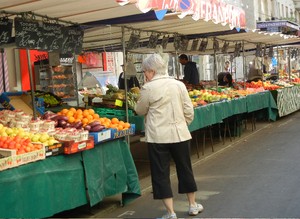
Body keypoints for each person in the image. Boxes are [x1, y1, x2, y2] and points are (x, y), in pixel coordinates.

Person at [135, 54, 203, 219]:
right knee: (185, 169)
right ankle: (193, 205)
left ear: (151, 71)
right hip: (179, 133)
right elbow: (189, 110)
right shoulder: (178, 85)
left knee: (160, 173)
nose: (145, 74)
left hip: (158, 137)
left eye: (145, 71)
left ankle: (170, 212)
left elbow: (140, 110)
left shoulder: (148, 88)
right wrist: (182, 123)